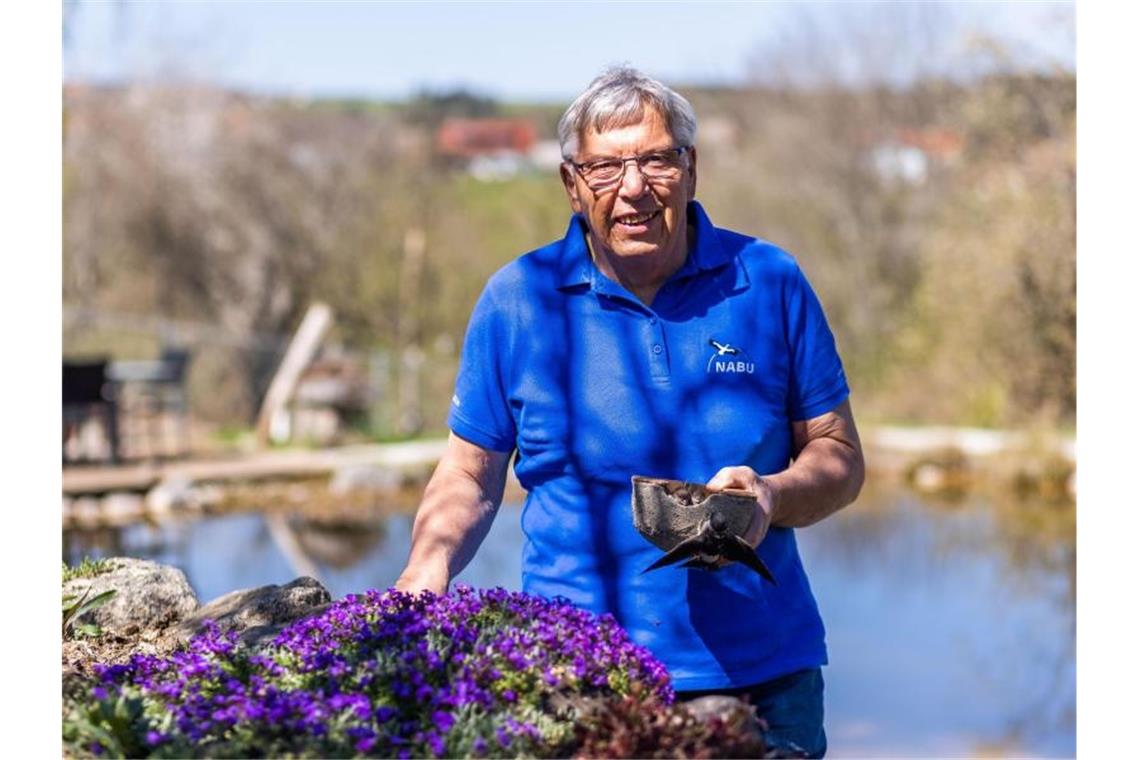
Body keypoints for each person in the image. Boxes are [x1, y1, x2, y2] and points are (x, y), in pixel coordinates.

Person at [395, 65, 864, 758]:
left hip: (764, 680)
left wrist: (772, 495)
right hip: (576, 679)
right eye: (607, 167)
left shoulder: (769, 282)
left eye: (655, 159)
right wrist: (427, 565)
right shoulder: (520, 299)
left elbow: (839, 454)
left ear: (692, 168)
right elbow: (469, 472)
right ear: (571, 184)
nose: (635, 187)